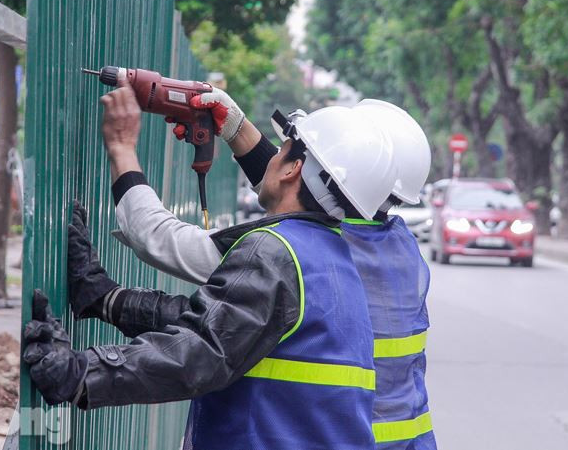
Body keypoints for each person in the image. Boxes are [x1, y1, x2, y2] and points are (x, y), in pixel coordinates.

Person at [23, 74, 399, 450]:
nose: (272, 157)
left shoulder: (277, 251)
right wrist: (108, 299)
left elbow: (203, 350)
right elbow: (231, 328)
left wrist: (79, 373)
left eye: (282, 148)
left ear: (291, 169)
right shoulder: (335, 259)